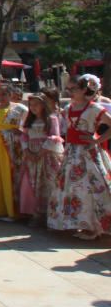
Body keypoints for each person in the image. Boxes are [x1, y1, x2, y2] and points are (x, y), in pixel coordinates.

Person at [47, 75, 111, 240]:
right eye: (69, 89)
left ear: (84, 89)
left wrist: (97, 139)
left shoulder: (94, 108)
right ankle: (75, 222)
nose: (71, 92)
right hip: (71, 153)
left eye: (74, 89)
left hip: (88, 153)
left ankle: (93, 225)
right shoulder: (68, 108)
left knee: (91, 187)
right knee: (70, 187)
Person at [19, 93, 63, 226]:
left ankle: (49, 215)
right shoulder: (29, 120)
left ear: (44, 105)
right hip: (31, 156)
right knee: (30, 184)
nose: (33, 108)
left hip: (47, 156)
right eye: (31, 105)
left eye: (36, 105)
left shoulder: (51, 119)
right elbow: (24, 136)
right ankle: (33, 213)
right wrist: (27, 151)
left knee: (47, 183)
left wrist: (41, 152)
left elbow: (54, 137)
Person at [0, 83, 28, 220]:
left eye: (4, 94)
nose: (1, 97)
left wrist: (20, 131)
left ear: (11, 95)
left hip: (12, 145)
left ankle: (14, 210)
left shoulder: (20, 109)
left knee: (11, 174)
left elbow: (29, 126)